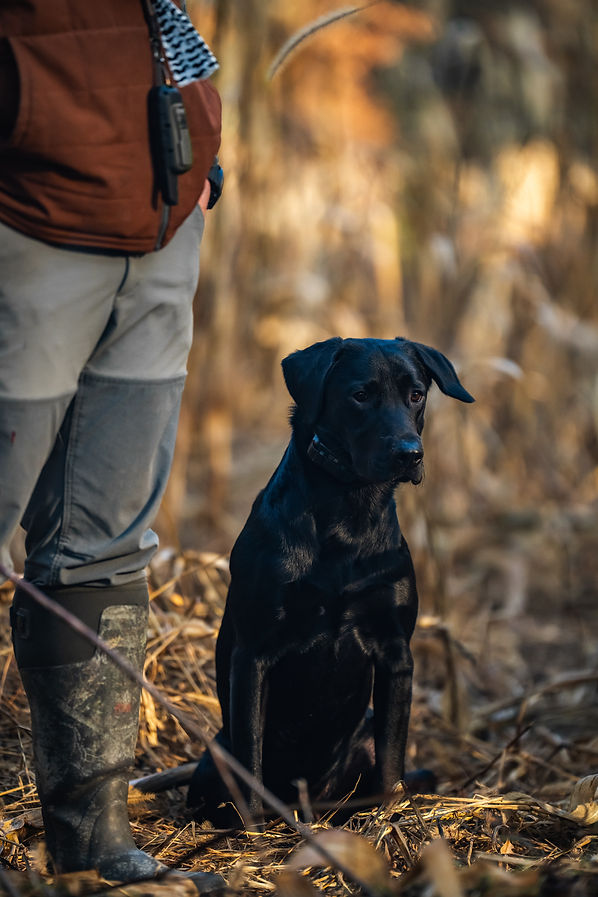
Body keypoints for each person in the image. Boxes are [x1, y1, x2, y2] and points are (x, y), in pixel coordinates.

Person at [0, 0, 221, 883]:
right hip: (26, 220)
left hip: (161, 211)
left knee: (102, 553)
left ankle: (94, 855)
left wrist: (206, 150)